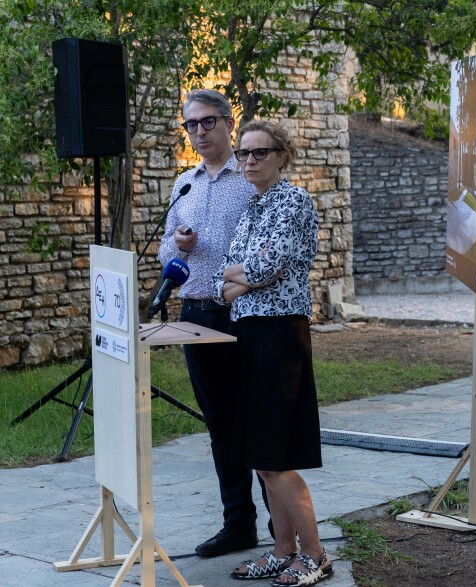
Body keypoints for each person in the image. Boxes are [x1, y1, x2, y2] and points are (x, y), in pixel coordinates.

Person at [214, 120, 332, 585]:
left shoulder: (294, 200)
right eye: (243, 153)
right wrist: (241, 279)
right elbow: (230, 269)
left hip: (280, 335)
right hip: (250, 333)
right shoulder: (252, 208)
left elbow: (267, 265)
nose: (248, 161)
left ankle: (316, 554)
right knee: (263, 458)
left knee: (279, 460)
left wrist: (239, 280)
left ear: (282, 156)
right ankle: (284, 551)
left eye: (259, 153)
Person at [158, 89, 266, 557]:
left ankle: (284, 531)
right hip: (195, 313)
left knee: (257, 422)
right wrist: (178, 245)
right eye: (191, 126)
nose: (199, 132)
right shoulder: (185, 184)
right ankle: (238, 525)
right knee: (220, 424)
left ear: (227, 122)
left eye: (207, 123)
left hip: (245, 315)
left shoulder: (253, 179)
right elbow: (165, 250)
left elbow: (270, 249)